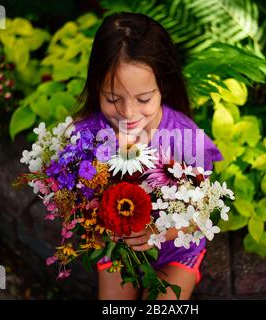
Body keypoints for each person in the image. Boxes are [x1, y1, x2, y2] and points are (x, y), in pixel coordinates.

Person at [71, 12, 223, 300]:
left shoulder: (186, 139)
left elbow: (204, 214)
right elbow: (77, 199)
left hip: (174, 252)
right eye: (113, 99)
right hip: (117, 247)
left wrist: (157, 232)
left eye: (143, 99)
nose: (128, 114)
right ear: (96, 88)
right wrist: (95, 220)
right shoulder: (87, 136)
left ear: (163, 86)